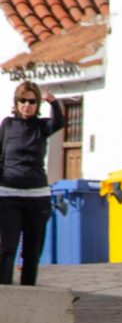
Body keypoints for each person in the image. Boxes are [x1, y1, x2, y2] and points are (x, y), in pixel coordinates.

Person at [0, 81, 63, 286]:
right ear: (16, 102)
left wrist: (53, 103)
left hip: (37, 198)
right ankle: (4, 295)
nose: (27, 105)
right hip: (8, 196)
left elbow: (59, 123)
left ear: (37, 104)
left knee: (32, 252)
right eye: (23, 100)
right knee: (7, 248)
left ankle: (28, 296)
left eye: (32, 101)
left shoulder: (42, 126)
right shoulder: (8, 125)